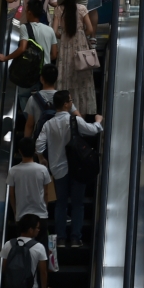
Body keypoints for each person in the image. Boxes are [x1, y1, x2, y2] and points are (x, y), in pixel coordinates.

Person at [35, 90, 103, 246]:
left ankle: (60, 238)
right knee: (78, 204)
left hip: (58, 169)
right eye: (71, 101)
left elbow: (39, 145)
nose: (72, 103)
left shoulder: (48, 124)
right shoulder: (74, 120)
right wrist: (98, 121)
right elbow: (92, 130)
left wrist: (42, 158)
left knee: (61, 204)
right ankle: (75, 238)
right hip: (78, 167)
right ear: (66, 104)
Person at [53, 0, 97, 115]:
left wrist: (62, 36)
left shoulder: (59, 9)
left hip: (65, 46)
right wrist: (81, 34)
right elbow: (90, 29)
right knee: (82, 78)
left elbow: (54, 31)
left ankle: (66, 112)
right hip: (81, 46)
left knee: (65, 75)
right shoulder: (82, 9)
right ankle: (82, 115)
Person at [7, 137, 52, 231]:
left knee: (23, 240)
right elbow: (46, 193)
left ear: (20, 151)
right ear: (34, 150)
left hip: (22, 215)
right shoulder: (43, 169)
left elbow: (11, 194)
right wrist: (45, 208)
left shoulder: (13, 171)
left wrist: (15, 211)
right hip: (40, 214)